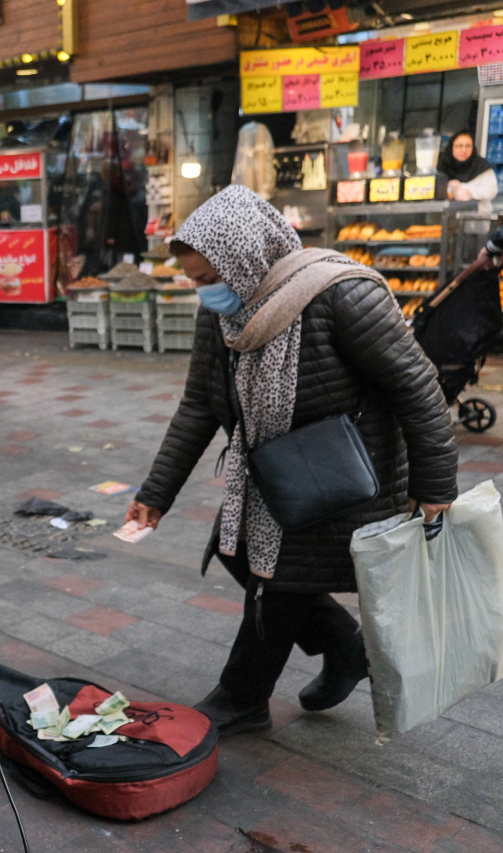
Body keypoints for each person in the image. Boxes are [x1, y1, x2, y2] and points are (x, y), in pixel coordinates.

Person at [126, 186, 458, 735]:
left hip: (351, 473)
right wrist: (155, 493)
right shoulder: (226, 316)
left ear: (245, 259)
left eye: (208, 279)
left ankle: (242, 697)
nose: (201, 292)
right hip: (279, 471)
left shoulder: (341, 294)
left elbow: (418, 387)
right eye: (194, 281)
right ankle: (345, 648)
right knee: (237, 550)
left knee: (276, 578)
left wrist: (435, 483)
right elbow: (198, 405)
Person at [439, 131, 498, 202]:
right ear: (451, 147)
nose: (464, 150)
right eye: (459, 146)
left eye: (468, 146)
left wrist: (461, 188)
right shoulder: (443, 165)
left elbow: (491, 191)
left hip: (477, 211)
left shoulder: (481, 165)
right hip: (446, 211)